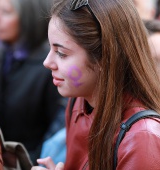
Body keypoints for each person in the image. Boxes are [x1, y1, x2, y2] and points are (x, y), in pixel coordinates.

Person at [32, 0, 160, 169]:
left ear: (104, 58)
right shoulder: (78, 102)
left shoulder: (142, 137)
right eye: (50, 48)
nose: (47, 62)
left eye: (61, 53)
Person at [0, 0, 66, 165]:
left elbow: (58, 127)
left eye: (6, 12)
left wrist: (28, 161)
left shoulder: (50, 64)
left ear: (28, 18)